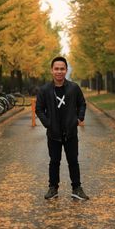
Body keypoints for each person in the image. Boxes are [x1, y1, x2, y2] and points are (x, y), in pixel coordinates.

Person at [35, 56, 89, 200]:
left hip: (70, 132)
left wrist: (79, 118)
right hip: (53, 133)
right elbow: (39, 109)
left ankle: (76, 188)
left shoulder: (74, 88)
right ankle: (53, 188)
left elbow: (82, 104)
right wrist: (47, 123)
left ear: (66, 70)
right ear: (52, 71)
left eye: (62, 69)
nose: (59, 71)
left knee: (73, 161)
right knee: (54, 161)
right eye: (56, 69)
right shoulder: (45, 90)